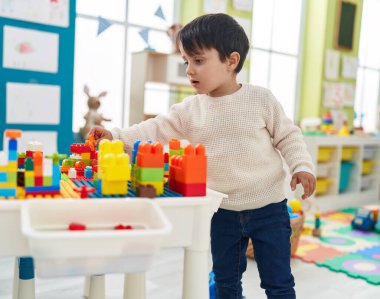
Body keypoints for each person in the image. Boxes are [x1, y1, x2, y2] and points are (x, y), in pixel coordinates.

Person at [89, 13, 316, 299]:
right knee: (225, 283)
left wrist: (302, 166)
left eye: (198, 61)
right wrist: (116, 136)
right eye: (186, 61)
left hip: (269, 208)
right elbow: (155, 128)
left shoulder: (261, 99)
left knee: (279, 282)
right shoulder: (189, 110)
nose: (189, 70)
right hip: (221, 212)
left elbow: (288, 135)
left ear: (231, 61)